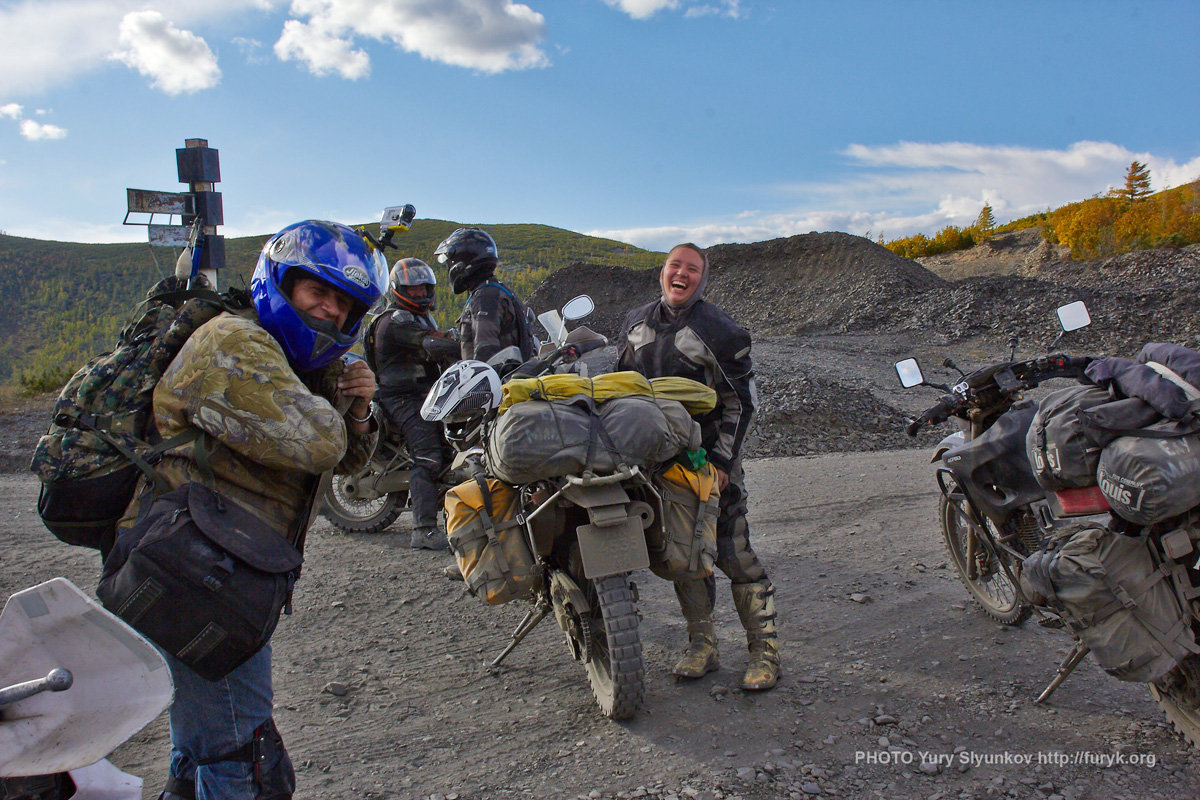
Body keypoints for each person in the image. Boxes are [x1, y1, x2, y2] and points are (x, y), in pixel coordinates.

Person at [138, 220, 387, 800]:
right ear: (281, 283)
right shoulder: (235, 344)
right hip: (193, 576)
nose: (329, 312)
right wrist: (335, 398)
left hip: (223, 571)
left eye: (345, 305)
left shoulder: (288, 358)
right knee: (242, 753)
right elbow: (319, 444)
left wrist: (356, 410)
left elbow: (348, 465)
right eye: (317, 293)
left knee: (202, 740)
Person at [616, 242, 781, 692]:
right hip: (657, 465)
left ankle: (764, 651)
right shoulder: (635, 323)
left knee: (731, 549)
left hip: (709, 460)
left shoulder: (720, 330)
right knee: (682, 552)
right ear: (662, 272)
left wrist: (724, 461)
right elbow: (621, 391)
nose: (682, 275)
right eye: (675, 266)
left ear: (702, 279)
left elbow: (740, 404)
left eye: (692, 269)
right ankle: (702, 645)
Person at [364, 257, 458, 549]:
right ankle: (423, 530)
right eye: (412, 289)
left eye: (423, 288)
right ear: (398, 289)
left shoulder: (418, 316)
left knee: (451, 448)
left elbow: (438, 340)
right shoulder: (396, 320)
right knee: (428, 455)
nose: (419, 294)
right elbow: (431, 344)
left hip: (424, 393)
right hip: (402, 396)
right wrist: (466, 344)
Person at [434, 227, 536, 369]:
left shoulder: (485, 297)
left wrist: (475, 380)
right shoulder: (497, 290)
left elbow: (485, 351)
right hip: (508, 381)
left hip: (495, 386)